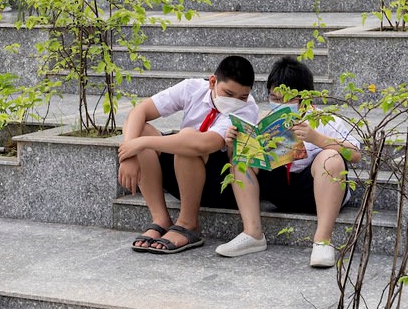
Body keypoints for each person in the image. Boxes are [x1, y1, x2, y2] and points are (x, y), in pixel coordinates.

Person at [214, 56, 360, 269]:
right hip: (279, 187)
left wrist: (316, 138)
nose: (280, 104)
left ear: (306, 99)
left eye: (288, 99)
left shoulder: (326, 120)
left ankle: (322, 241)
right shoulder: (263, 120)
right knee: (242, 159)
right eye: (274, 98)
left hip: (315, 189)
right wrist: (234, 143)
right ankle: (252, 233)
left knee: (331, 157)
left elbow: (355, 154)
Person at [117, 55, 259, 255]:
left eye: (242, 97)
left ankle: (188, 223)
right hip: (182, 175)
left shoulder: (247, 109)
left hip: (218, 184)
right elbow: (139, 111)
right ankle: (160, 219)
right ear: (212, 82)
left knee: (188, 139)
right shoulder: (192, 88)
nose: (235, 101)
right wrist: (128, 154)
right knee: (143, 129)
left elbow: (205, 143)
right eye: (228, 93)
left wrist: (139, 144)